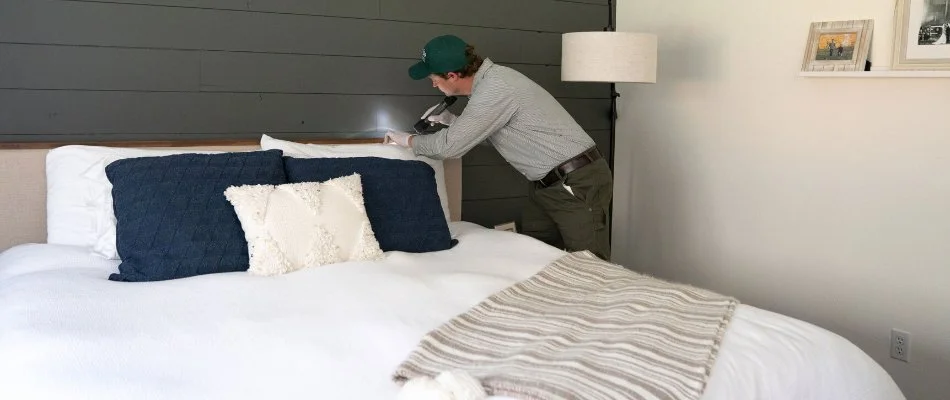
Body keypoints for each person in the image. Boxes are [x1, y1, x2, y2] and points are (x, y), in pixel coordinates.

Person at [384, 35, 614, 260]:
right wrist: (452, 121)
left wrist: (408, 141)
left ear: (452, 76)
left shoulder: (495, 88)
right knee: (537, 255)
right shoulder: (491, 83)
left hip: (576, 181)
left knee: (590, 263)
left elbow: (448, 147)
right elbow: (496, 135)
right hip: (548, 184)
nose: (433, 83)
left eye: (433, 78)